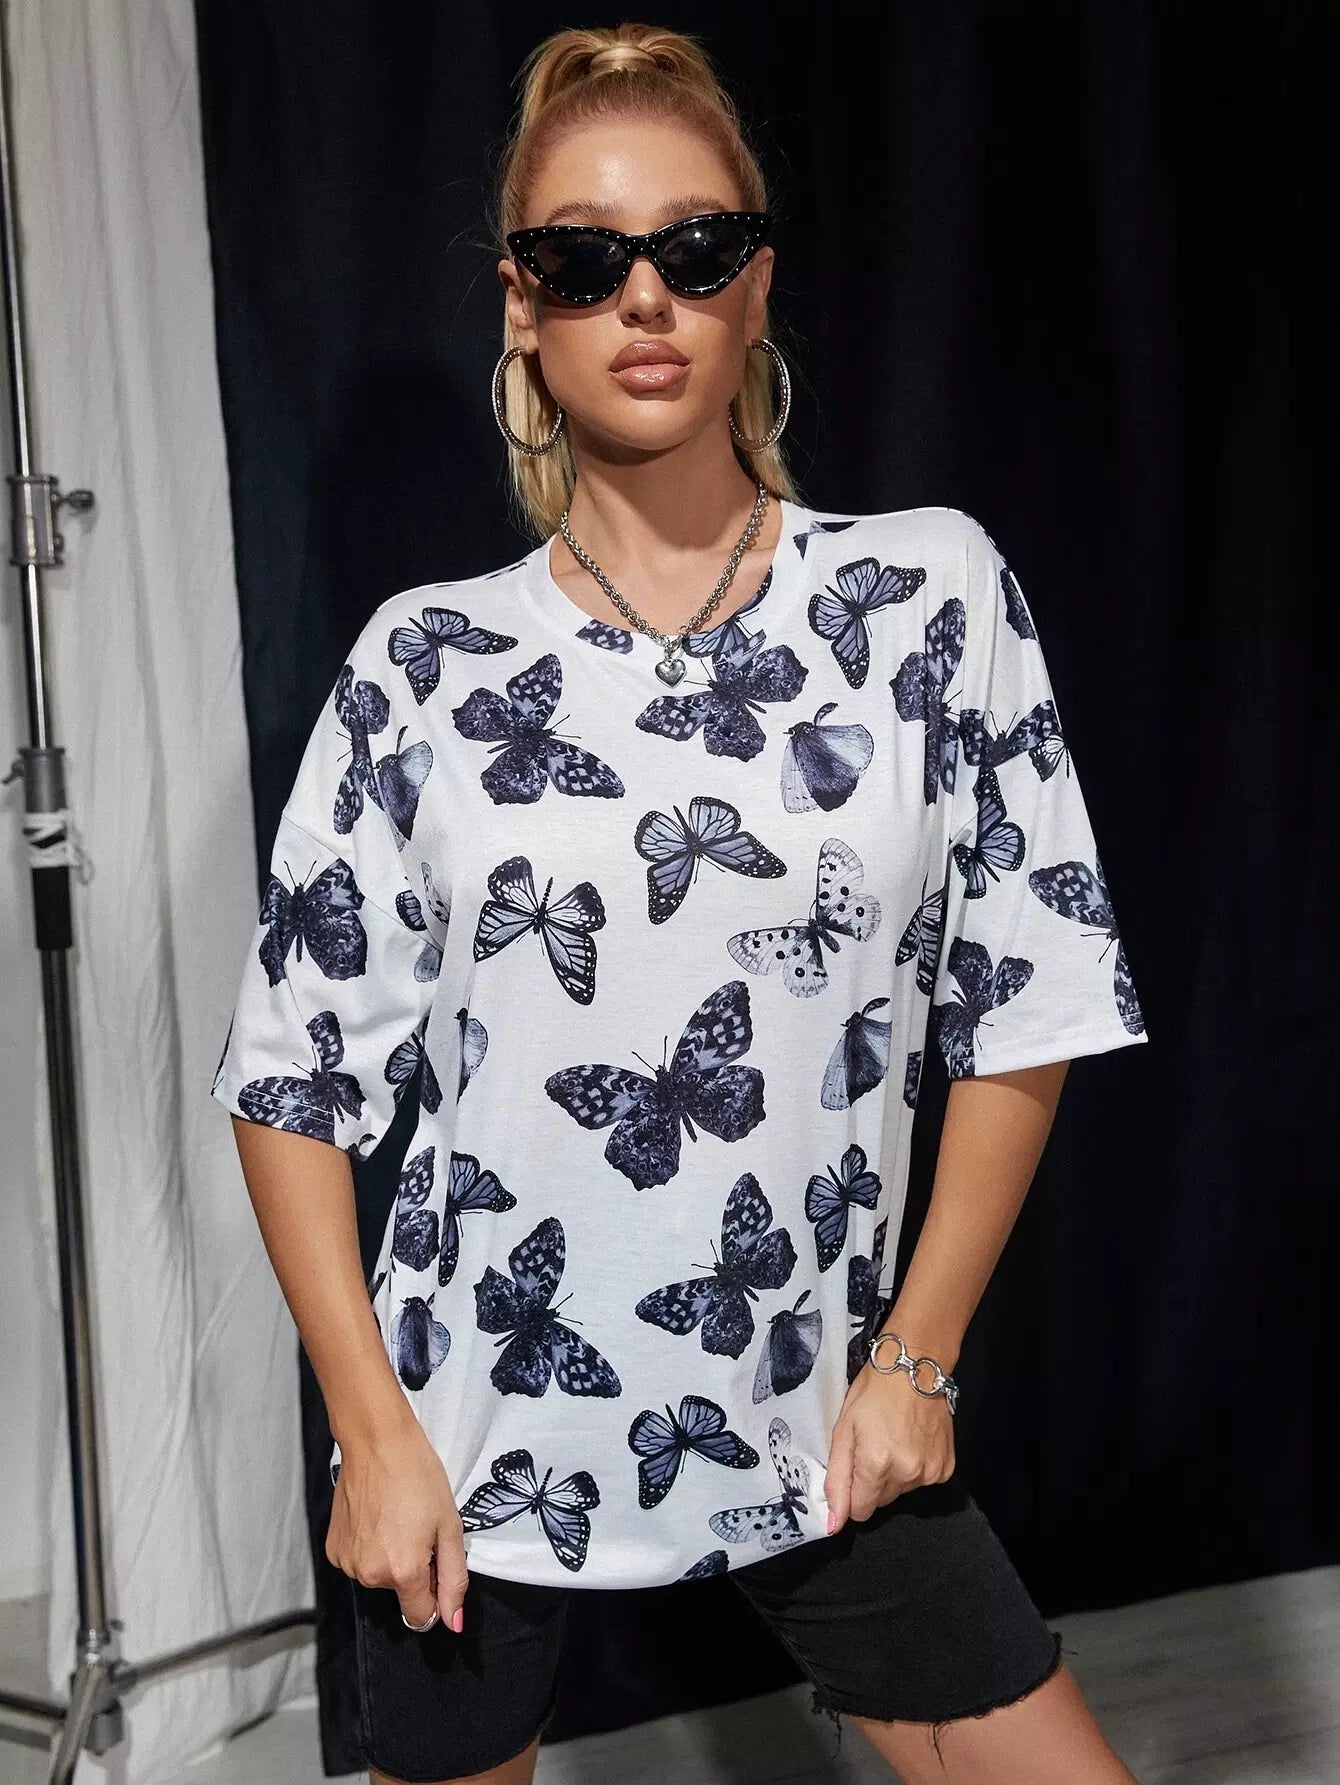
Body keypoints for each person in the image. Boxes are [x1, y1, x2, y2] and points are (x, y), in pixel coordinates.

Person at [211, 22, 1149, 1785]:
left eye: (695, 248)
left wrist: (920, 1360)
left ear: (758, 282)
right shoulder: (426, 665)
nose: (644, 296)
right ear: (521, 305)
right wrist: (370, 1428)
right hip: (472, 1435)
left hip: (819, 1406)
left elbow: (1031, 998)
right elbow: (291, 1081)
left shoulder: (926, 599)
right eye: (583, 259)